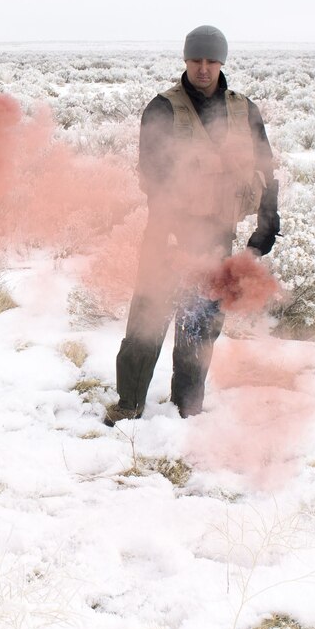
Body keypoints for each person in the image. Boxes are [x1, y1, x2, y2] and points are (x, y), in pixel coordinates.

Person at [106, 26, 280, 425]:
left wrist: (268, 221)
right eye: (196, 60)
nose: (203, 69)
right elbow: (152, 174)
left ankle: (188, 408)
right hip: (167, 236)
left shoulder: (243, 110)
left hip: (218, 237)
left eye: (211, 61)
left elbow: (265, 168)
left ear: (221, 62)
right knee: (147, 323)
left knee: (200, 327)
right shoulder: (163, 108)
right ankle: (129, 405)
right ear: (185, 61)